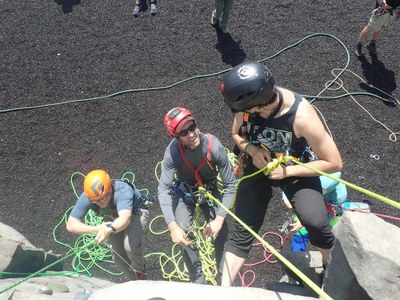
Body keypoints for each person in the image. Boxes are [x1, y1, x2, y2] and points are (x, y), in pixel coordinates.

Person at [219, 61, 343, 286]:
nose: (241, 114)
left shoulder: (302, 116)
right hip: (260, 163)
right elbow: (236, 134)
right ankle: (223, 290)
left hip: (296, 167)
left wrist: (287, 171)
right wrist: (252, 149)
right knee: (244, 226)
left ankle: (330, 273)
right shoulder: (248, 112)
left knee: (316, 222)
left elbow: (334, 163)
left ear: (258, 106)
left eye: (244, 110)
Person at [158, 107, 237, 284]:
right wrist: (173, 227)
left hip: (209, 191)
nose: (191, 134)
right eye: (184, 132)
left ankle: (223, 278)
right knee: (183, 232)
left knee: (221, 231)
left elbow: (231, 184)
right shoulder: (173, 153)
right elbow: (163, 190)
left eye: (192, 127)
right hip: (185, 192)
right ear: (176, 137)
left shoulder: (213, 146)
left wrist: (219, 219)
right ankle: (198, 279)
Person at [66, 169, 149, 280]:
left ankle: (139, 270)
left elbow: (125, 218)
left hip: (135, 213)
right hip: (112, 218)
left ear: (110, 188)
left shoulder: (123, 190)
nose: (102, 202)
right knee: (117, 258)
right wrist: (98, 228)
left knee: (130, 245)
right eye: (97, 200)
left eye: (105, 197)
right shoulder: (88, 197)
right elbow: (71, 224)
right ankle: (133, 281)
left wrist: (110, 229)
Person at [282, 172, 347, 251]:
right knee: (300, 237)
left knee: (324, 235)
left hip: (328, 212)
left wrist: (304, 222)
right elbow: (290, 179)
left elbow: (326, 214)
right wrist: (286, 197)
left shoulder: (339, 196)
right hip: (311, 203)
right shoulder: (310, 170)